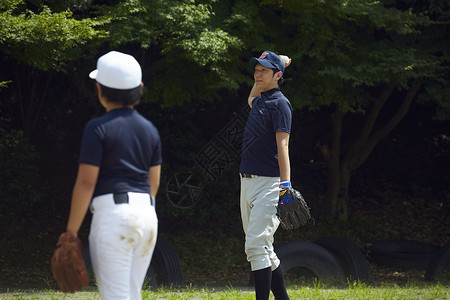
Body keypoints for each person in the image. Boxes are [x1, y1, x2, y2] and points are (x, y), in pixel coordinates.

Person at [65, 51, 162, 300]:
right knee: (131, 293)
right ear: (139, 88)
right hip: (147, 216)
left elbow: (87, 183)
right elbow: (154, 184)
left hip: (114, 216)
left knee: (117, 295)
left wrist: (71, 232)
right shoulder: (150, 130)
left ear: (99, 89)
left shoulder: (97, 128)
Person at [239, 51, 292, 300]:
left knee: (255, 246)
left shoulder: (280, 104)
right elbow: (251, 95)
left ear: (278, 75)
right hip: (247, 182)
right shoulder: (260, 100)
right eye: (256, 70)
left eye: (264, 70)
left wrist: (285, 186)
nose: (258, 73)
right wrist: (279, 64)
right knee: (263, 247)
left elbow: (283, 146)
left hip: (269, 184)